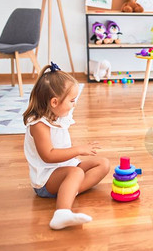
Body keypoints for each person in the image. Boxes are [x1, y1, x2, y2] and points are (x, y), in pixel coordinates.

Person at [23, 62, 110, 230]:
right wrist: (79, 149)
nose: (74, 105)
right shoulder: (39, 125)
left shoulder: (58, 114)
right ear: (54, 102)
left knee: (103, 164)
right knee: (76, 171)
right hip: (46, 180)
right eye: (71, 100)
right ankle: (62, 212)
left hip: (64, 168)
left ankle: (69, 190)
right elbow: (48, 155)